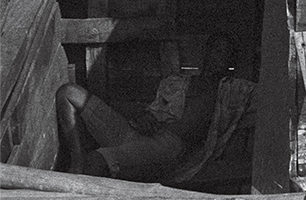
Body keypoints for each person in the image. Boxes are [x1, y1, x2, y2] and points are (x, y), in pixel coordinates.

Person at [55, 33, 249, 181]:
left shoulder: (230, 91)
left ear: (230, 62)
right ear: (206, 52)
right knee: (69, 92)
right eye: (215, 50)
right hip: (135, 132)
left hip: (166, 147)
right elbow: (152, 111)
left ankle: (79, 187)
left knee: (96, 161)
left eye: (225, 54)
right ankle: (77, 160)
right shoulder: (176, 82)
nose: (217, 57)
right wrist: (145, 118)